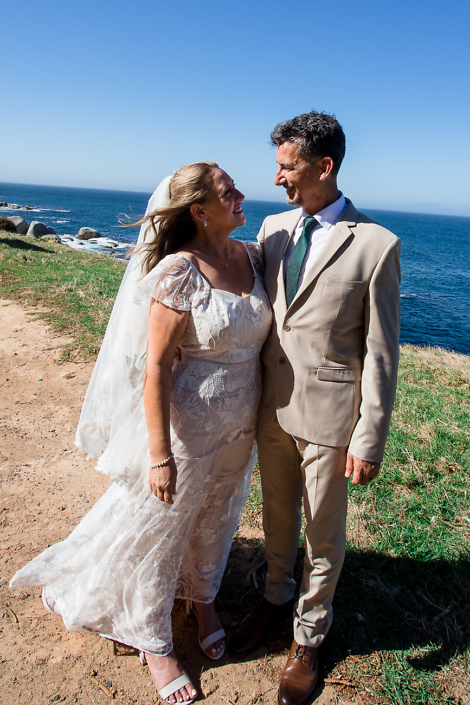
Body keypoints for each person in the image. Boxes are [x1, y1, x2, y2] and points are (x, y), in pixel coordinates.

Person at [10, 161, 272, 705]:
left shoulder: (252, 257)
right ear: (199, 210)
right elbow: (155, 366)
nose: (242, 195)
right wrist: (159, 454)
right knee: (161, 529)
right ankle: (153, 638)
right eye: (228, 191)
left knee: (217, 515)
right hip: (189, 429)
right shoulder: (179, 271)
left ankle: (202, 599)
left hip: (241, 424)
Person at [230, 112, 401, 705]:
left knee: (322, 533)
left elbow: (381, 352)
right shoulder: (273, 229)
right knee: (276, 516)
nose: (276, 177)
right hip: (270, 407)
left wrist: (369, 437)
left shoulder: (377, 245)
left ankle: (309, 637)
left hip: (331, 418)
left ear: (324, 166)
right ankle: (275, 599)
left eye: (287, 166)